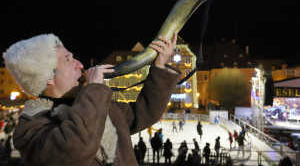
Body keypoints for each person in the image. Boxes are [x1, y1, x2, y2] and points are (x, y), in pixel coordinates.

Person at [3, 33, 181, 166]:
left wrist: (159, 68)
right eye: (68, 60)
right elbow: (76, 148)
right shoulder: (31, 128)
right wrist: (94, 89)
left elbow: (142, 113)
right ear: (48, 77)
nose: (80, 64)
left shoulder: (98, 104)